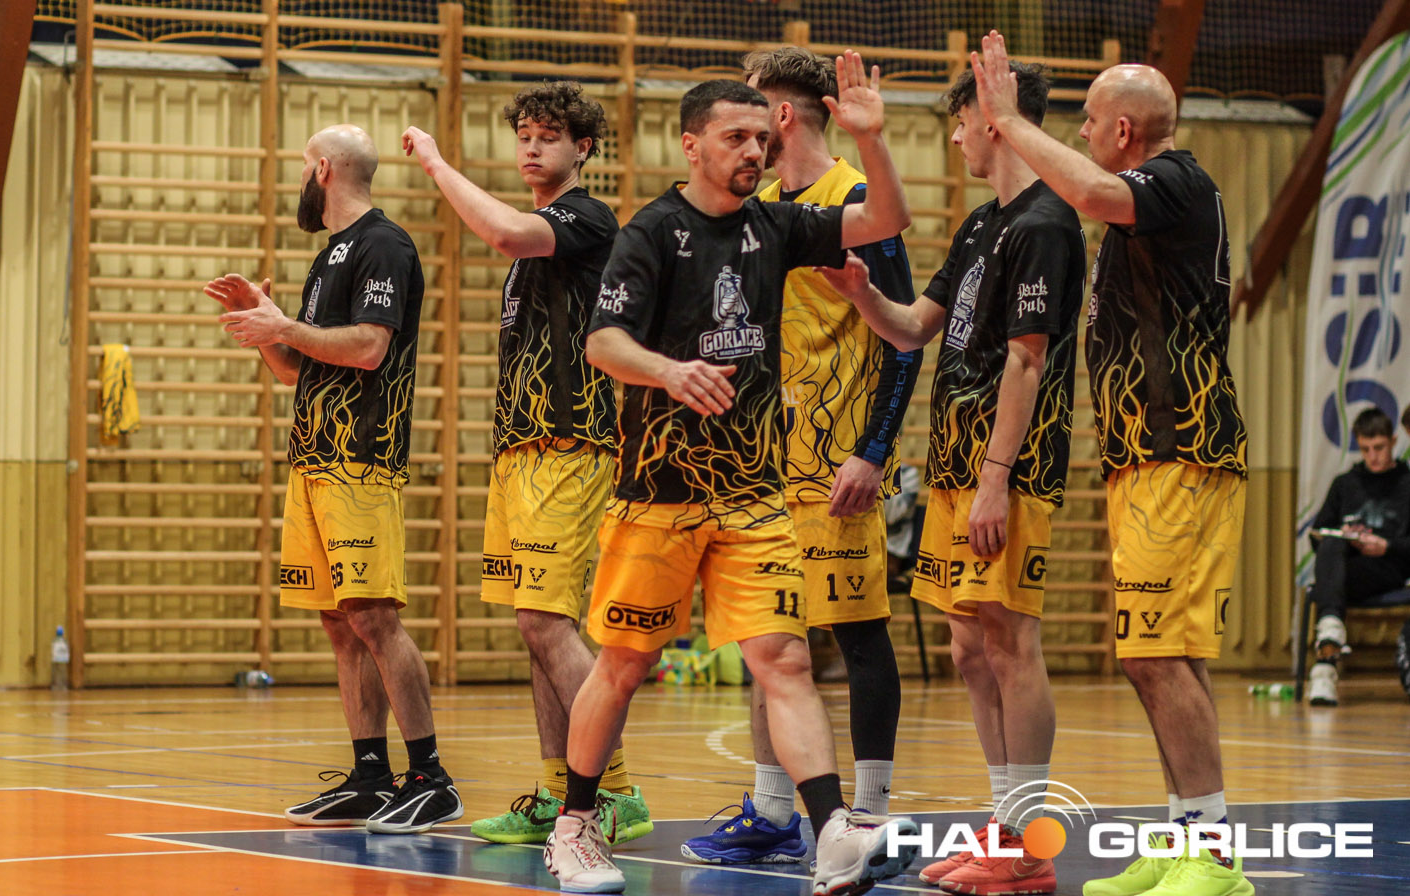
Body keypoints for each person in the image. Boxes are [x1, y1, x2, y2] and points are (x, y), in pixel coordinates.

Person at [542, 59, 918, 896]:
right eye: (735, 137)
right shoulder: (651, 232)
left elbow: (885, 218)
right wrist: (669, 371)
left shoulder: (777, 225)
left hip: (753, 498)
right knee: (623, 665)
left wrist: (870, 137)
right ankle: (573, 826)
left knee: (785, 659)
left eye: (761, 137)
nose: (754, 150)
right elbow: (603, 343)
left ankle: (832, 833)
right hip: (659, 497)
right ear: (692, 145)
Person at [972, 33, 1252, 896]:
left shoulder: (1176, 182)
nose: (1083, 133)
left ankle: (1212, 855)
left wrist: (1010, 119)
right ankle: (1183, 837)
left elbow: (1091, 191)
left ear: (1124, 130)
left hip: (1183, 449)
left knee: (1156, 656)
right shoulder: (1146, 200)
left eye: (1091, 121)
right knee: (1160, 654)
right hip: (1143, 459)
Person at [821, 61, 1083, 896]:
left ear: (994, 120)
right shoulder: (980, 224)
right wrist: (862, 294)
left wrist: (997, 478)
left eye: (963, 121)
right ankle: (1002, 829)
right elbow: (912, 328)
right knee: (969, 648)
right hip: (951, 470)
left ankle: (1028, 846)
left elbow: (1027, 361)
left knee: (1010, 641)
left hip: (1008, 469)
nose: (958, 136)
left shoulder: (1046, 222)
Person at [679, 46, 920, 867]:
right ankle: (775, 811)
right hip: (765, 466)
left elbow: (905, 338)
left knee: (858, 638)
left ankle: (871, 812)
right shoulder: (758, 211)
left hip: (838, 464)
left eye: (751, 107)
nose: (742, 128)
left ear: (780, 115)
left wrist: (873, 451)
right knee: (766, 636)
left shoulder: (851, 199)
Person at [400, 83, 651, 845]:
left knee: (547, 623)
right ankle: (556, 792)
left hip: (570, 446)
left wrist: (437, 164)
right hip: (521, 451)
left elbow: (508, 232)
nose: (533, 147)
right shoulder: (543, 236)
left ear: (583, 148)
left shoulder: (585, 217)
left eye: (549, 136)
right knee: (536, 625)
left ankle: (615, 790)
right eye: (525, 136)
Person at [204, 124, 460, 834]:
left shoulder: (384, 244)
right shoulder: (328, 257)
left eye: (300, 169)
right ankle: (370, 775)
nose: (299, 181)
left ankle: (431, 777)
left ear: (322, 169)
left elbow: (370, 348)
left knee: (374, 616)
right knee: (340, 622)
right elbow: (299, 369)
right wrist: (261, 328)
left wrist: (284, 326)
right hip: (314, 458)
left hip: (361, 457)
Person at [1307, 407, 1410, 706]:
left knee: (1329, 584)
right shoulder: (1345, 483)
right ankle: (1330, 634)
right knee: (1331, 543)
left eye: (1379, 448)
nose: (1373, 456)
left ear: (1393, 441)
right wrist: (1347, 536)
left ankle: (1325, 665)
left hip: (1389, 569)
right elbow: (1317, 535)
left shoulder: (1407, 483)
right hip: (1348, 568)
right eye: (1366, 449)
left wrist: (1386, 546)